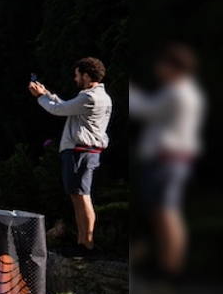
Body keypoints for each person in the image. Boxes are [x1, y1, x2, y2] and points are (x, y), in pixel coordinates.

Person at [130, 43, 204, 277]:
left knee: (166, 212)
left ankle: (170, 268)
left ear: (174, 67)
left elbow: (145, 109)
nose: (158, 69)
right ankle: (166, 264)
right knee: (163, 212)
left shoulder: (176, 92)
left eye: (162, 65)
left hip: (167, 160)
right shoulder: (186, 91)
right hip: (172, 159)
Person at [29, 57, 113, 256]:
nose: (74, 79)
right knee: (78, 197)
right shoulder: (95, 96)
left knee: (82, 197)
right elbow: (68, 106)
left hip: (81, 152)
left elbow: (58, 110)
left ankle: (87, 244)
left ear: (86, 75)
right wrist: (47, 93)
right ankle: (82, 242)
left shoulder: (90, 98)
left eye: (77, 75)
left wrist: (40, 97)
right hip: (84, 152)